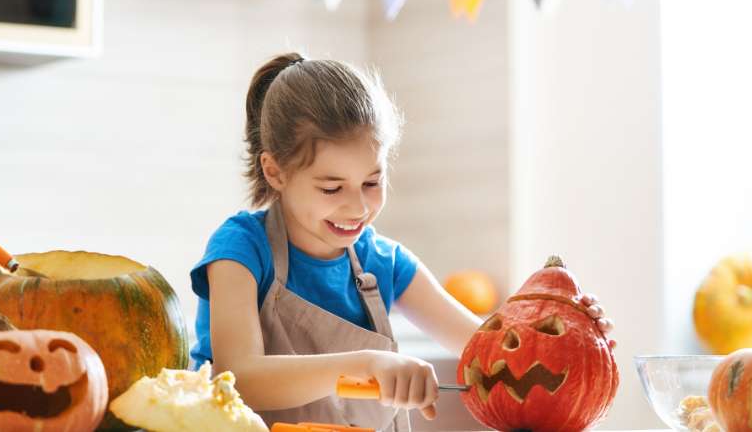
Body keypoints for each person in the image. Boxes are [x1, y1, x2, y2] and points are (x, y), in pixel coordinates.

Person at [190, 52, 615, 431]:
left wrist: (572, 337)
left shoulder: (385, 262)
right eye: (331, 188)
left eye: (372, 182)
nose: (357, 207)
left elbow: (490, 355)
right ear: (275, 171)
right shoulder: (241, 249)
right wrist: (366, 365)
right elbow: (240, 377)